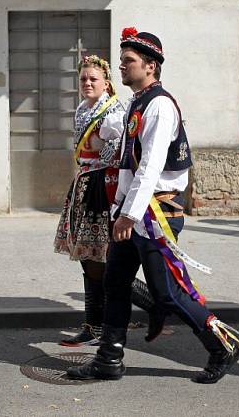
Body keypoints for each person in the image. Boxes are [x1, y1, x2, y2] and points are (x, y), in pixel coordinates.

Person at [68, 27, 239, 385]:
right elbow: (128, 163)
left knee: (168, 291)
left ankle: (220, 345)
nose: (121, 66)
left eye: (128, 61)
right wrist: (121, 209)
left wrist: (129, 214)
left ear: (150, 66)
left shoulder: (160, 106)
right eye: (122, 61)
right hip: (131, 211)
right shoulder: (136, 102)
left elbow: (150, 167)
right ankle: (109, 358)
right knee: (114, 284)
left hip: (155, 215)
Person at [55, 55, 164, 347]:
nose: (87, 83)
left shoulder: (114, 109)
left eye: (93, 79)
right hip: (85, 185)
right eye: (83, 79)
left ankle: (154, 305)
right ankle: (93, 324)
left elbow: (123, 150)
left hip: (105, 188)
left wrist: (107, 147)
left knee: (103, 263)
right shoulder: (83, 108)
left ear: (106, 82)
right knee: (88, 260)